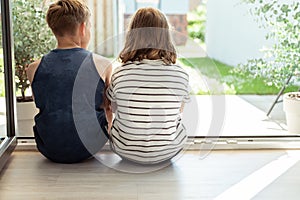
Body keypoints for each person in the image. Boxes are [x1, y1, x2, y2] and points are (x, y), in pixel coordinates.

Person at [27, 0, 112, 163]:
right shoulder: (103, 64)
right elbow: (108, 110)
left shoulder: (33, 68)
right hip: (90, 147)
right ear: (82, 28)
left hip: (49, 148)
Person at [106, 7, 190, 164]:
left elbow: (115, 109)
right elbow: (179, 111)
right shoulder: (181, 75)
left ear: (132, 36)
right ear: (166, 36)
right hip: (167, 153)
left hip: (125, 151)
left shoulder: (120, 73)